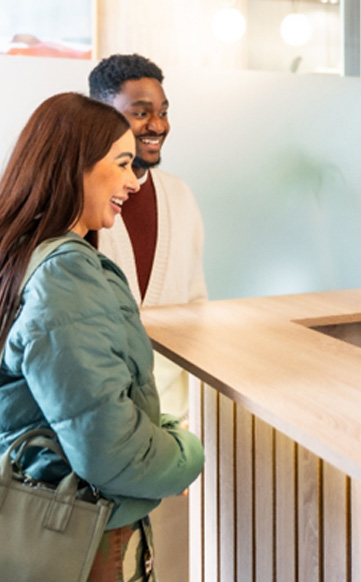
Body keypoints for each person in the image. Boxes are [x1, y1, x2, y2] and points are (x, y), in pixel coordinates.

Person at [0, 92, 205, 581]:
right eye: (122, 164)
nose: (134, 182)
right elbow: (110, 451)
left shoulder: (23, 255)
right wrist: (187, 450)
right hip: (85, 541)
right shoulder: (65, 274)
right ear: (76, 166)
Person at [88, 53, 207, 420]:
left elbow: (196, 306)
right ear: (100, 115)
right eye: (141, 113)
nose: (157, 125)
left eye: (163, 112)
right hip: (102, 417)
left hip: (175, 416)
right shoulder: (81, 205)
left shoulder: (180, 195)